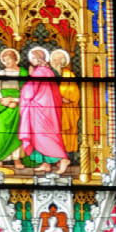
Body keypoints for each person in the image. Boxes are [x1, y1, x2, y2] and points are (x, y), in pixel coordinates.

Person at [18, 45, 69, 175]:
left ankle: (63, 159)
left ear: (38, 58)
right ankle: (46, 164)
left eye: (34, 58)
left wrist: (22, 93)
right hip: (48, 109)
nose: (32, 61)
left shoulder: (40, 72)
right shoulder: (49, 71)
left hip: (41, 110)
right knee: (43, 136)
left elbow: (30, 91)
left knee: (45, 136)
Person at [0, 46, 28, 169]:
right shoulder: (1, 73)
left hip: (18, 106)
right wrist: (2, 100)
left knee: (17, 133)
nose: (7, 62)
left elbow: (27, 91)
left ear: (15, 59)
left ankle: (17, 160)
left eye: (9, 59)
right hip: (2, 106)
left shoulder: (23, 73)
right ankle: (0, 158)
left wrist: (14, 100)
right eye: (5, 60)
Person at [49, 47, 80, 155]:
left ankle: (66, 154)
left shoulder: (69, 75)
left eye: (57, 59)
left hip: (67, 110)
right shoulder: (48, 74)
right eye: (53, 59)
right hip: (52, 109)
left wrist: (66, 99)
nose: (54, 61)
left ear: (63, 62)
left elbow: (74, 92)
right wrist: (58, 98)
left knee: (67, 133)